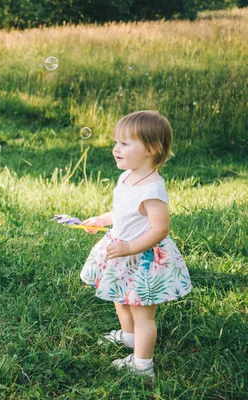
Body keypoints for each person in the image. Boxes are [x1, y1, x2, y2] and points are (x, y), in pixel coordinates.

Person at [79, 110, 192, 378]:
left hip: (143, 258)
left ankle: (143, 365)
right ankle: (129, 337)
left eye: (125, 144)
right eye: (116, 142)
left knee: (143, 313)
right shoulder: (127, 177)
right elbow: (122, 213)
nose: (116, 149)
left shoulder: (152, 189)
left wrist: (130, 248)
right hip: (122, 251)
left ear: (151, 149)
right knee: (121, 299)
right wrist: (102, 219)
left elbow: (160, 228)